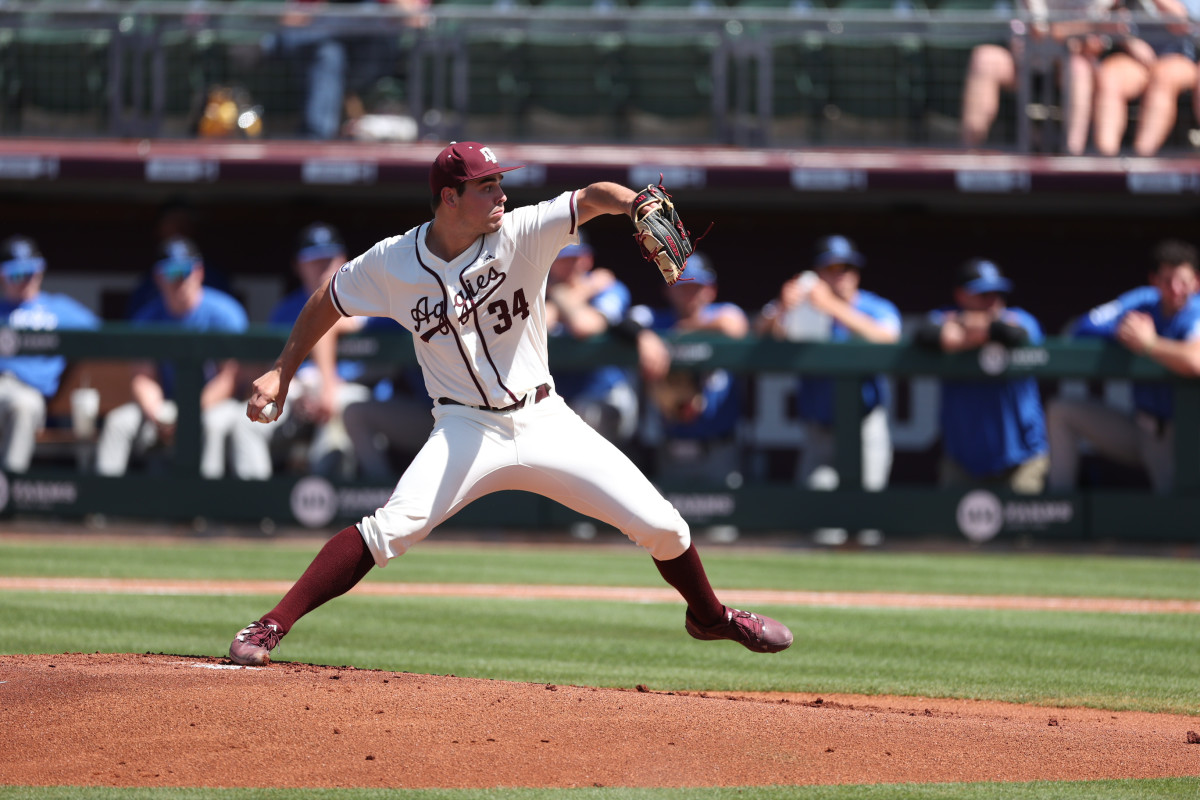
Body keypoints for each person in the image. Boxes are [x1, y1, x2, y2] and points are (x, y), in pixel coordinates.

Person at [228, 141, 792, 665]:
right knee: (391, 528)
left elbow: (591, 198)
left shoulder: (522, 231)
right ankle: (271, 624)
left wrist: (634, 202)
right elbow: (329, 297)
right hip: (464, 427)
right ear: (449, 198)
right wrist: (282, 369)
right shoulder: (393, 262)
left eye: (500, 182)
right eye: (486, 185)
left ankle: (712, 617)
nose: (501, 194)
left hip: (544, 418)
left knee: (665, 528)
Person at [756, 236, 899, 545]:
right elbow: (759, 333)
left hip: (865, 429)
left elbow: (888, 339)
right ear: (818, 274)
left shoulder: (874, 306)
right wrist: (781, 307)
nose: (841, 275)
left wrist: (832, 306)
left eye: (846, 267)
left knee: (866, 527)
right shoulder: (803, 309)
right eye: (832, 268)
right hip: (819, 432)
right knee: (820, 527)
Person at [95, 237, 274, 480]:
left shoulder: (224, 312)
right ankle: (102, 506)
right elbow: (143, 377)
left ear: (199, 271)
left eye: (185, 270)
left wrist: (188, 414)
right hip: (166, 407)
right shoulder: (147, 318)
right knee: (118, 423)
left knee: (209, 425)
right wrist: (158, 413)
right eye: (170, 271)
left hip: (216, 405)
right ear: (158, 277)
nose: (179, 279)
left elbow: (228, 379)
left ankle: (203, 508)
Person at [1047, 238, 1200, 494]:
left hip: (1180, 435)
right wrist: (1122, 330)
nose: (1175, 289)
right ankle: (1059, 514)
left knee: (1178, 519)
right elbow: (1084, 327)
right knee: (1061, 412)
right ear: (1154, 280)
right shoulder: (1144, 301)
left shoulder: (1196, 310)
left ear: (1196, 282)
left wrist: (1150, 344)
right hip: (1139, 426)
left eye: (1182, 282)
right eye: (1166, 281)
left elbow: (1195, 361)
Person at [914, 259, 1050, 493]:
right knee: (949, 529)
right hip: (962, 464)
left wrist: (969, 330)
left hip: (1021, 461)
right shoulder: (945, 317)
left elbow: (1016, 333)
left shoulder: (1019, 318)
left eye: (997, 293)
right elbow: (924, 333)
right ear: (961, 295)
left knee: (1022, 530)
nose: (993, 301)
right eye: (983, 294)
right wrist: (969, 331)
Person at [628, 253, 749, 490]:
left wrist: (680, 332)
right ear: (668, 289)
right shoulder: (655, 320)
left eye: (697, 286)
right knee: (670, 524)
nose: (690, 294)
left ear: (711, 289)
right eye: (682, 286)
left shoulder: (722, 313)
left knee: (721, 525)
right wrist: (643, 336)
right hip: (671, 447)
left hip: (718, 448)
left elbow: (734, 325)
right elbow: (629, 319)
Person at [268, 222, 377, 476]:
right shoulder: (285, 310)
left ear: (343, 259)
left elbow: (336, 321)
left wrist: (327, 388)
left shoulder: (367, 300)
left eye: (329, 258)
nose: (323, 266)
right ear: (298, 265)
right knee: (252, 422)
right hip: (298, 397)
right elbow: (268, 369)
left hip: (351, 393)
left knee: (342, 407)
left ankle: (326, 494)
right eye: (314, 260)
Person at [959, 0, 1117, 154]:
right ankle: (969, 153)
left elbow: (1094, 45)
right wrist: (1087, 28)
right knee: (984, 59)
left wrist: (1080, 33)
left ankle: (1072, 157)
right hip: (1022, 63)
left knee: (1079, 69)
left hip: (1065, 68)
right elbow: (1041, 31)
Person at [0, 235, 100, 473]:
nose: (25, 279)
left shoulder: (58, 309)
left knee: (23, 405)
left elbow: (103, 337)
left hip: (31, 391)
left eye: (31, 271)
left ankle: (8, 491)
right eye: (16, 273)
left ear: (41, 272)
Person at [263, 0, 430, 140]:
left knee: (348, 45)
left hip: (373, 57)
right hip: (323, 59)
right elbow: (290, 21)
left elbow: (417, 19)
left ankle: (322, 135)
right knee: (329, 54)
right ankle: (316, 140)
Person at [545, 238, 640, 448]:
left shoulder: (610, 289)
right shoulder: (541, 290)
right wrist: (583, 291)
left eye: (576, 258)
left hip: (602, 395)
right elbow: (539, 323)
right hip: (557, 398)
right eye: (564, 259)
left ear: (587, 259)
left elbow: (584, 325)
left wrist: (559, 299)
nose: (571, 265)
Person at [1091, 0, 1197, 156]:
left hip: (1180, 60)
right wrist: (1130, 42)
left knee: (1163, 75)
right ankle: (1107, 161)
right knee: (1110, 75)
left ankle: (1142, 157)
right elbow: (1110, 23)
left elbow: (1182, 25)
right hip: (1137, 61)